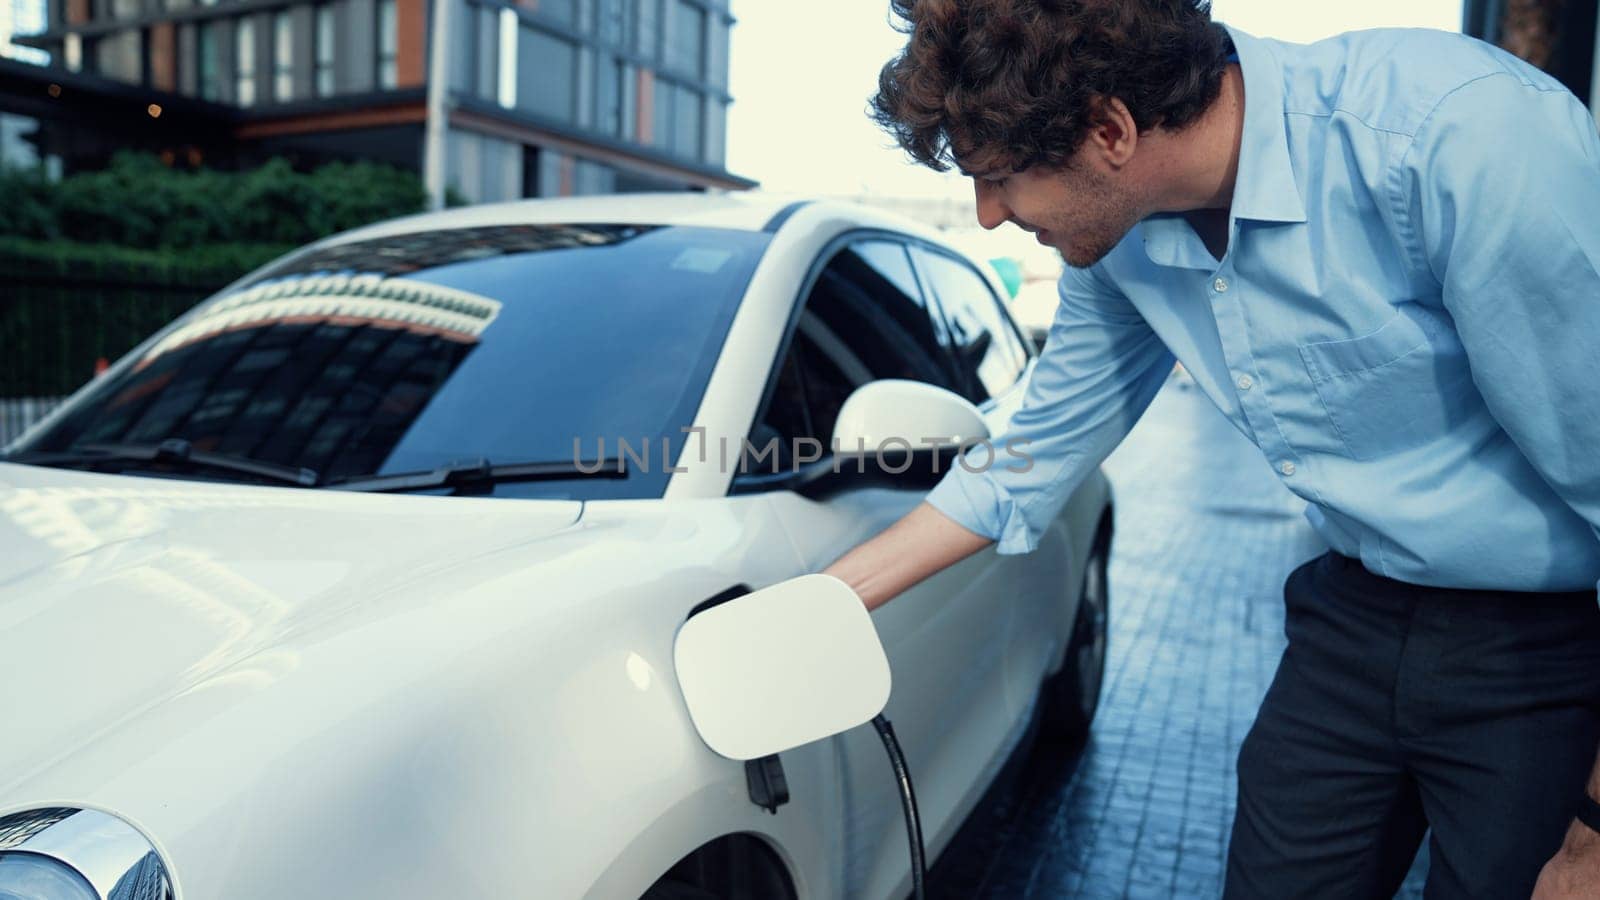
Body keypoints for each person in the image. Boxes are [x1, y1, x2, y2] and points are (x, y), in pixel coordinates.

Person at [819, 1, 1600, 897]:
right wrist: (822, 602)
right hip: (1351, 614)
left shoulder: (1452, 135)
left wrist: (1594, 837)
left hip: (1550, 642)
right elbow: (1025, 460)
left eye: (999, 178)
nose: (988, 216)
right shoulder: (1115, 242)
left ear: (1109, 130)